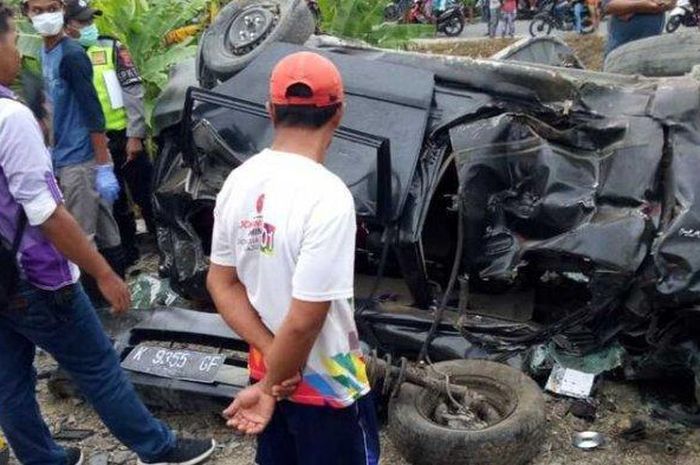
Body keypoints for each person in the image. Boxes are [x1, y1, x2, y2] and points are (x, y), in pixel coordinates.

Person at [0, 3, 216, 464]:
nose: (17, 53)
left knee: (9, 380)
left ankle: (43, 458)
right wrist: (100, 272)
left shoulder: (66, 62)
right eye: (12, 41)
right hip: (37, 276)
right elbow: (46, 214)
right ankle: (158, 449)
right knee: (98, 367)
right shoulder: (9, 117)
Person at [207, 51, 380, 465]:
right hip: (325, 382)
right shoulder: (329, 195)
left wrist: (270, 367)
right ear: (338, 113)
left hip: (270, 370)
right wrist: (273, 383)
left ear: (270, 110)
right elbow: (305, 317)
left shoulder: (238, 180)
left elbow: (221, 282)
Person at [23, 0, 125, 277]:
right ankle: (117, 298)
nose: (46, 16)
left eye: (52, 8)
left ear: (63, 11)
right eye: (38, 11)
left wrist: (103, 166)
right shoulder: (47, 52)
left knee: (82, 239)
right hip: (69, 157)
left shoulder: (71, 56)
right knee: (105, 230)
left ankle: (98, 305)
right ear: (27, 14)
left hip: (81, 160)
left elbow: (93, 112)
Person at [64, 0, 155, 267]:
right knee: (113, 206)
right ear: (67, 26)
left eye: (91, 20)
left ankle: (164, 249)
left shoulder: (111, 47)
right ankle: (129, 258)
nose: (90, 26)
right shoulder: (64, 55)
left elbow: (133, 89)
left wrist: (135, 134)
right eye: (83, 22)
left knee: (145, 195)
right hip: (92, 145)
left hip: (124, 137)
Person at [603, 0, 675, 54]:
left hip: (652, 48)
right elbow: (609, 6)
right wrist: (641, 5)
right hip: (622, 48)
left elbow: (668, 3)